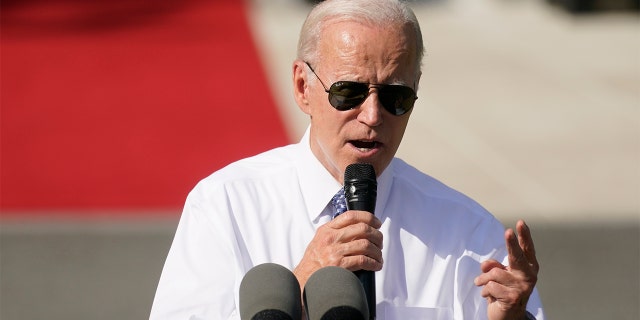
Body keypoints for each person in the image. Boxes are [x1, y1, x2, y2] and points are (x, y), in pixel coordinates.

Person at [150, 0, 543, 319]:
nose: (372, 116)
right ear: (303, 88)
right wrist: (297, 287)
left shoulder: (471, 237)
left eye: (395, 97)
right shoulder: (226, 207)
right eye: (348, 92)